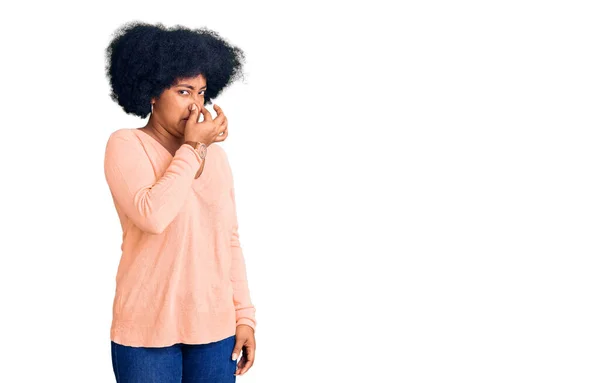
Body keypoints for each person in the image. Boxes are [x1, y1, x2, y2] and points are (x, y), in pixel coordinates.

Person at [103, 21, 257, 382]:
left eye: (202, 93)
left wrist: (244, 316)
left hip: (216, 332)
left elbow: (229, 239)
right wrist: (193, 147)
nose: (196, 106)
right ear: (152, 93)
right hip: (146, 334)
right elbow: (153, 215)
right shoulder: (126, 145)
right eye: (184, 92)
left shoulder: (215, 157)